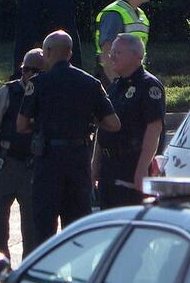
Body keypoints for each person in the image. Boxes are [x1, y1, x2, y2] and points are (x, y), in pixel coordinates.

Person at [17, 30, 120, 247]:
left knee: (44, 226)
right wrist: (86, 121)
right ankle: (78, 277)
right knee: (76, 226)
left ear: (47, 52)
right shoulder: (90, 83)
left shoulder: (38, 83)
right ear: (70, 54)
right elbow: (113, 123)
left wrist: (42, 126)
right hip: (78, 158)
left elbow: (21, 125)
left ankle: (46, 276)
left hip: (48, 160)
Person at [0, 48, 42, 260]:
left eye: (36, 70)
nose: (30, 74)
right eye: (26, 69)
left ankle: (27, 277)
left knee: (34, 228)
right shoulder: (8, 92)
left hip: (35, 167)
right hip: (6, 163)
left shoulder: (51, 93)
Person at [92, 34, 165, 209]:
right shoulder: (114, 87)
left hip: (130, 169)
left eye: (118, 52)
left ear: (137, 56)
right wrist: (95, 164)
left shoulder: (149, 86)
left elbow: (153, 129)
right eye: (112, 52)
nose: (112, 56)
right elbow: (103, 126)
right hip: (108, 171)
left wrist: (142, 168)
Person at [94, 0, 152, 88]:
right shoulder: (114, 14)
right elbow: (107, 53)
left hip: (132, 79)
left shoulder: (141, 15)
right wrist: (117, 85)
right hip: (113, 80)